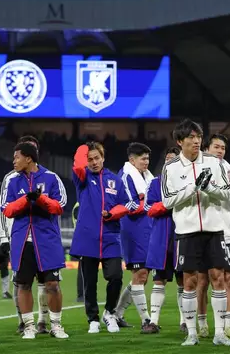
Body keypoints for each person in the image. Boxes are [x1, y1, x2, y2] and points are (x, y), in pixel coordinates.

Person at [162, 119, 230, 346]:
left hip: (214, 229)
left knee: (218, 279)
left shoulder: (215, 163)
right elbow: (167, 201)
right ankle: (192, 334)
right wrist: (192, 188)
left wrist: (210, 188)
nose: (196, 141)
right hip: (187, 231)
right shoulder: (171, 167)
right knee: (189, 283)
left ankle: (219, 334)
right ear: (180, 142)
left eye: (198, 137)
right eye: (191, 138)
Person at [1, 142, 69, 339]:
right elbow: (7, 209)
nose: (14, 161)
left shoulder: (51, 178)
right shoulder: (12, 181)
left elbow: (59, 206)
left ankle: (56, 325)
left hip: (47, 240)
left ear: (28, 158)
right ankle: (29, 326)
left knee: (53, 285)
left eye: (17, 157)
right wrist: (26, 200)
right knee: (23, 285)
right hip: (22, 241)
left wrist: (40, 200)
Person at [70, 142, 130, 334]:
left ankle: (109, 312)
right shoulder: (82, 177)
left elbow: (125, 204)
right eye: (90, 159)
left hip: (111, 236)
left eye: (97, 158)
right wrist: (84, 147)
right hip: (88, 237)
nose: (94, 162)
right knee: (90, 282)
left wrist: (112, 214)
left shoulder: (115, 180)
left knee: (116, 277)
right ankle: (93, 319)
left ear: (103, 158)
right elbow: (78, 164)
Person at [195, 134, 230, 339]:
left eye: (223, 148)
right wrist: (222, 192)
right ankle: (203, 322)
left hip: (227, 231)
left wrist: (216, 192)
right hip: (203, 231)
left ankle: (228, 325)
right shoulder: (195, 168)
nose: (220, 151)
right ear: (206, 148)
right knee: (203, 280)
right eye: (216, 147)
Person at [0, 135, 49, 334]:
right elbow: (5, 208)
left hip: (41, 236)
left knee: (45, 280)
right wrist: (4, 236)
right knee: (20, 280)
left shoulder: (47, 177)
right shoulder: (10, 178)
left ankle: (43, 321)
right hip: (17, 236)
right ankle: (22, 321)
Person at [113, 143, 156, 333]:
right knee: (140, 275)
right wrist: (151, 207)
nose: (146, 162)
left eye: (147, 158)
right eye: (142, 159)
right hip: (133, 229)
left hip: (147, 228)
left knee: (143, 276)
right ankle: (146, 320)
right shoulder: (124, 176)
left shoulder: (147, 177)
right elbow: (128, 205)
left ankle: (117, 314)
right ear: (132, 160)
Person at [144, 147, 185, 332]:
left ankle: (185, 321)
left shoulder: (187, 181)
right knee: (159, 280)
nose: (169, 162)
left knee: (184, 282)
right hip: (161, 240)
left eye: (173, 159)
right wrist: (170, 204)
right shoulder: (154, 183)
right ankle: (153, 321)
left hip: (183, 237)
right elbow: (148, 208)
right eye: (167, 159)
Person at [72, 202, 84, 303]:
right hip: (83, 239)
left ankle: (83, 294)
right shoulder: (79, 205)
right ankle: (81, 294)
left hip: (86, 238)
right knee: (83, 268)